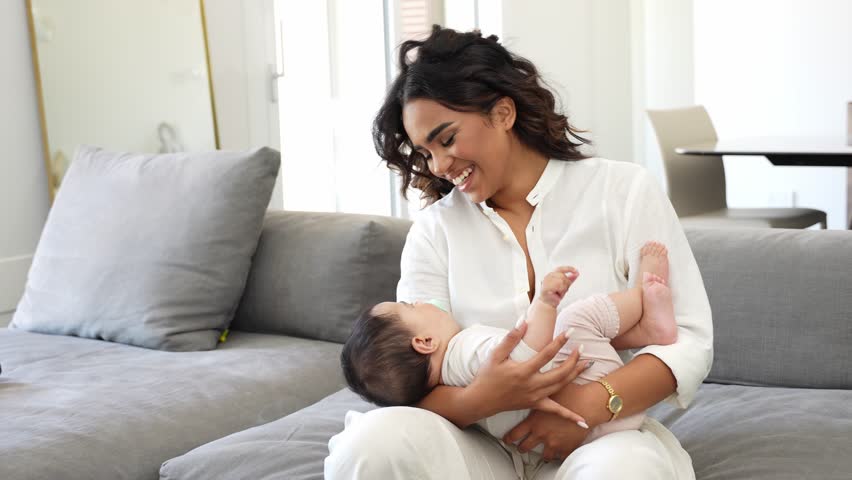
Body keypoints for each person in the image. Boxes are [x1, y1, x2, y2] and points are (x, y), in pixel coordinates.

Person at [325, 25, 712, 479]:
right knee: (371, 444)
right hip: (478, 442)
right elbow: (414, 374)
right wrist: (483, 399)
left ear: (503, 112)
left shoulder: (622, 190)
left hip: (596, 437)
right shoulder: (435, 229)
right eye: (425, 153)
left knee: (627, 471)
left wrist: (589, 405)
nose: (439, 166)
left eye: (446, 140)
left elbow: (689, 340)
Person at [341, 244, 677, 477]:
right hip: (590, 398)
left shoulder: (442, 380)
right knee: (574, 320)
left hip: (599, 411)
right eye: (409, 306)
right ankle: (644, 301)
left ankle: (643, 328)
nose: (418, 302)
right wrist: (544, 303)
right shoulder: (464, 350)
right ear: (425, 342)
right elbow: (524, 357)